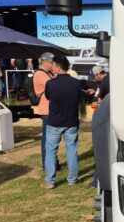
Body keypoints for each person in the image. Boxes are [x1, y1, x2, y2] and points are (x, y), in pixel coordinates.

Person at [42, 55, 93, 188]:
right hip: (71, 121)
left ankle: (50, 181)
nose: (51, 67)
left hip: (54, 122)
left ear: (58, 67)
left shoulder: (50, 83)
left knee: (51, 151)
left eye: (53, 65)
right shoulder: (76, 83)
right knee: (71, 150)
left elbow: (48, 96)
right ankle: (72, 180)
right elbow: (82, 97)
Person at [33, 52, 57, 173]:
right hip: (46, 110)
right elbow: (54, 85)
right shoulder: (40, 74)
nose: (53, 64)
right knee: (47, 139)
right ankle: (47, 164)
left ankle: (53, 162)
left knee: (53, 138)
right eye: (52, 62)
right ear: (45, 62)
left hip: (52, 109)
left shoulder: (49, 73)